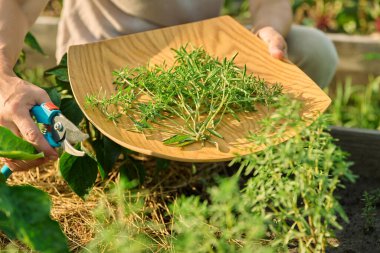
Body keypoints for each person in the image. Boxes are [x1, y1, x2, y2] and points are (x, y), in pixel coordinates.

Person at [0, 0, 338, 172]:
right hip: (108, 70)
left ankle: (257, 168)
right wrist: (3, 78)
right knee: (118, 166)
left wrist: (267, 27)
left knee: (313, 51)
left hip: (198, 65)